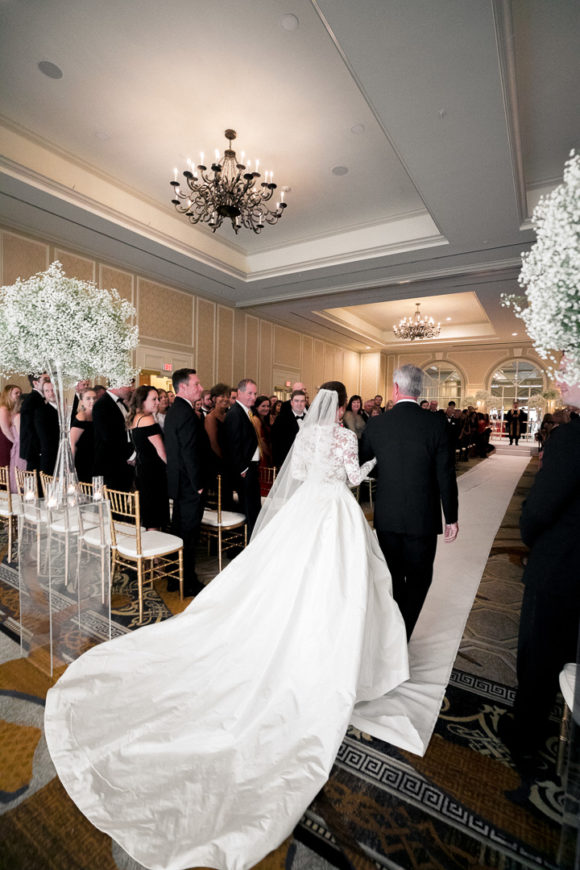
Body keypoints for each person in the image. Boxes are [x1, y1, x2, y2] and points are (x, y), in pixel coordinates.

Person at [44, 381, 409, 870]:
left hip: (305, 511)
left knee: (285, 579)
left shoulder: (310, 438)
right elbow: (349, 477)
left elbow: (298, 474)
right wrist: (367, 467)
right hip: (335, 512)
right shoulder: (342, 436)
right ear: (341, 407)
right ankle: (323, 647)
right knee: (337, 582)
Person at [499, 373, 580, 779]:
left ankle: (524, 735)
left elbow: (538, 511)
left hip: (561, 565)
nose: (563, 376)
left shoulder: (570, 438)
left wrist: (530, 537)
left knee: (539, 653)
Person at [360, 364, 459, 639]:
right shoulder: (436, 423)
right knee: (419, 579)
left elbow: (366, 465)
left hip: (387, 514)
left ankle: (391, 632)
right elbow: (445, 474)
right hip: (423, 518)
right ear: (420, 390)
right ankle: (402, 633)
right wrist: (451, 516)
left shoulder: (377, 423)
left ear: (395, 389)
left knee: (391, 576)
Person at [164, 368, 208, 596]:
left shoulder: (175, 411)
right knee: (188, 535)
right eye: (197, 384)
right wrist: (199, 484)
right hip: (190, 485)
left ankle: (175, 578)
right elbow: (189, 452)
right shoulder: (186, 413)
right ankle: (187, 582)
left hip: (180, 483)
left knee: (179, 531)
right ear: (183, 387)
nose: (200, 388)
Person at [223, 378, 262, 537]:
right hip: (245, 470)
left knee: (253, 508)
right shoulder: (235, 413)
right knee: (248, 508)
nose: (253, 397)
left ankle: (252, 541)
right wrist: (242, 468)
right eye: (249, 393)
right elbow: (232, 445)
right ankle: (248, 544)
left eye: (255, 393)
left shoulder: (245, 412)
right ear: (239, 393)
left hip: (250, 468)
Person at [126, 386, 169, 531]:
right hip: (154, 472)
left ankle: (152, 549)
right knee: (155, 515)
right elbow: (161, 452)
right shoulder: (148, 419)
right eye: (154, 399)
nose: (158, 402)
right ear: (142, 401)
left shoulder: (136, 418)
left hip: (143, 470)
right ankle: (155, 551)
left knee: (149, 512)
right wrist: (175, 469)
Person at [92, 383, 134, 491]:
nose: (132, 389)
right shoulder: (101, 405)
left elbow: (127, 434)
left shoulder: (122, 404)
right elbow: (109, 437)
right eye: (129, 386)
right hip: (110, 466)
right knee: (113, 504)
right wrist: (130, 455)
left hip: (123, 465)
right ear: (118, 384)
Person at [19, 372, 50, 471]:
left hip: (36, 447)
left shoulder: (38, 398)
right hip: (33, 448)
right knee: (33, 477)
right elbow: (29, 426)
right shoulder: (32, 399)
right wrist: (39, 447)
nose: (49, 382)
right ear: (36, 383)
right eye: (45, 380)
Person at [271, 389, 307, 469]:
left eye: (302, 401)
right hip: (287, 462)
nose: (299, 404)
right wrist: (279, 464)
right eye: (296, 401)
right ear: (291, 402)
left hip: (305, 462)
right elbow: (275, 442)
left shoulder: (310, 419)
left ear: (305, 403)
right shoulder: (281, 419)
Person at [70, 387, 96, 483]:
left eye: (94, 398)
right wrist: (70, 467)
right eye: (88, 398)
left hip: (94, 460)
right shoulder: (81, 416)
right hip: (82, 461)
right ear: (81, 401)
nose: (92, 401)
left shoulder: (96, 415)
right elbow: (72, 444)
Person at [35, 380, 59, 475]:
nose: (51, 393)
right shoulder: (41, 412)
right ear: (44, 393)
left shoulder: (68, 408)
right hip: (50, 457)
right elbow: (45, 438)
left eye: (53, 390)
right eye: (47, 391)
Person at [0, 384, 22, 468]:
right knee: (6, 465)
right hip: (5, 442)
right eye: (16, 393)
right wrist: (15, 442)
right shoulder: (3, 409)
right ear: (8, 394)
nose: (19, 395)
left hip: (12, 441)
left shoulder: (13, 408)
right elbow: (5, 430)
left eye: (20, 393)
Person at [252, 394, 273, 469]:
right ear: (256, 407)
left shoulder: (264, 419)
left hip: (265, 453)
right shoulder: (255, 419)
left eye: (268, 406)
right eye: (263, 406)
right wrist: (269, 454)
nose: (266, 408)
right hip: (261, 455)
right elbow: (259, 440)